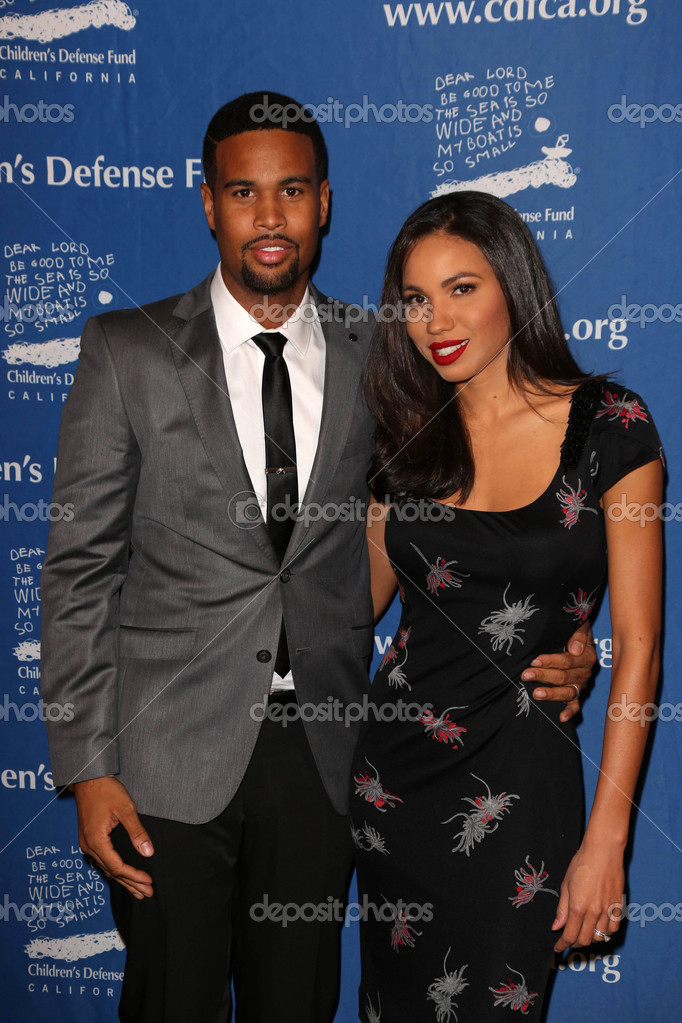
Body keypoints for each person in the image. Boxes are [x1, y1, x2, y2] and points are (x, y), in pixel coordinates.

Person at [40, 95, 594, 1023]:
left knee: (297, 1003)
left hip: (328, 756)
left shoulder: (386, 352)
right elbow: (78, 573)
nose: (269, 215)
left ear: (324, 203)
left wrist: (564, 635)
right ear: (208, 203)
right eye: (243, 192)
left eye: (292, 191)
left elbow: (468, 521)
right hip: (162, 762)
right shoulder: (126, 350)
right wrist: (88, 767)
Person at [352, 191, 662, 1022]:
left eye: (461, 288)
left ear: (513, 286)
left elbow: (638, 646)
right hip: (394, 786)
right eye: (415, 298)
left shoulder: (611, 428)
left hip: (522, 791)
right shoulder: (404, 432)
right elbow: (352, 607)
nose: (436, 320)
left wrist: (608, 841)